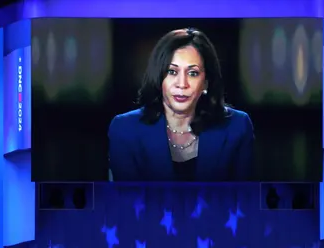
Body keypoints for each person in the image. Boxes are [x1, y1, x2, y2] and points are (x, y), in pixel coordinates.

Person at [108, 27, 255, 182]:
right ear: (159, 78)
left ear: (206, 82)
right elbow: (128, 202)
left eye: (193, 73)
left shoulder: (237, 127)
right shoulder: (125, 129)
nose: (182, 84)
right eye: (172, 72)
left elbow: (243, 200)